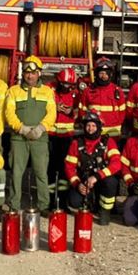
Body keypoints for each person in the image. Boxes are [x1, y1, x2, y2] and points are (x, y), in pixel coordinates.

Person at [4, 56, 56, 213]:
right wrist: (22, 128)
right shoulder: (13, 91)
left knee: (41, 173)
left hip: (40, 138)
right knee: (16, 173)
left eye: (33, 72)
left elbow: (52, 113)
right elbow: (9, 113)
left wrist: (41, 128)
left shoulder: (47, 92)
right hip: (19, 138)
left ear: (39, 73)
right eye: (27, 72)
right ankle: (14, 204)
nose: (30, 76)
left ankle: (44, 205)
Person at [64, 111, 121, 225]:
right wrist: (77, 184)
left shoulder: (108, 142)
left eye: (94, 125)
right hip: (84, 181)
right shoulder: (76, 143)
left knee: (111, 182)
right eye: (88, 125)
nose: (90, 129)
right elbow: (69, 167)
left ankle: (104, 211)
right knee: (74, 202)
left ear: (99, 127)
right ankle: (90, 203)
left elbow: (116, 164)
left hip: (101, 181)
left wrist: (97, 176)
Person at [48, 67, 81, 207]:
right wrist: (53, 106)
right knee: (50, 169)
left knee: (65, 170)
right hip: (50, 136)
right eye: (65, 84)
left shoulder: (76, 92)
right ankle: (50, 200)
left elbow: (81, 109)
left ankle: (62, 200)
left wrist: (73, 111)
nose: (67, 87)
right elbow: (41, 102)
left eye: (70, 85)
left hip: (67, 137)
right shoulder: (49, 89)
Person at [80, 57, 126, 139]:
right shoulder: (88, 91)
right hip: (93, 135)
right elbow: (82, 113)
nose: (103, 76)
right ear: (96, 74)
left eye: (106, 73)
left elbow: (122, 114)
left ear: (110, 74)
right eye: (101, 73)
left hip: (113, 135)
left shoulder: (117, 91)